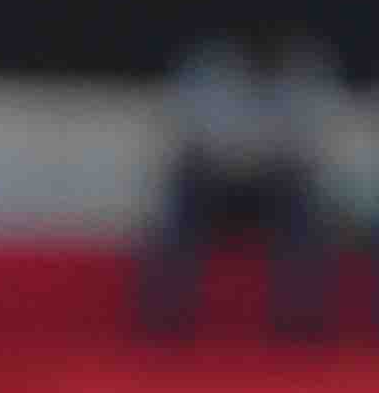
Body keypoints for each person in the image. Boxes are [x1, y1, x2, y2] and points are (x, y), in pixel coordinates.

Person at [134, 30, 340, 342]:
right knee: (180, 198)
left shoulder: (304, 69)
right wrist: (238, 157)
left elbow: (310, 143)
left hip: (275, 184)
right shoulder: (208, 67)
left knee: (305, 207)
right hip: (214, 181)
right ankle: (165, 316)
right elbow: (193, 136)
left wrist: (262, 158)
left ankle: (300, 318)